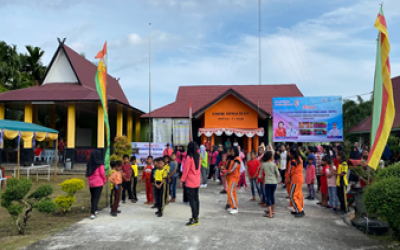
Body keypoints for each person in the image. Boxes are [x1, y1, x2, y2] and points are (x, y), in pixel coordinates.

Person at [181, 141, 201, 226]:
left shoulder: (189, 157)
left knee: (192, 200)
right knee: (196, 199)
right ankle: (196, 217)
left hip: (190, 181)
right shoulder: (198, 157)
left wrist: (182, 180)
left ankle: (194, 218)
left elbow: (186, 170)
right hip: (197, 180)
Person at [85, 150, 106, 220]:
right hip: (98, 182)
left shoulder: (89, 164)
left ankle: (95, 209)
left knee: (93, 197)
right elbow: (102, 173)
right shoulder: (100, 164)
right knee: (96, 198)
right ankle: (92, 213)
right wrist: (104, 180)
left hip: (91, 183)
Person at [259, 151, 281, 218]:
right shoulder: (274, 164)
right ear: (271, 157)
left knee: (268, 197)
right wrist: (274, 176)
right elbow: (278, 174)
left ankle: (270, 214)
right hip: (274, 182)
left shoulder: (264, 164)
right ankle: (273, 210)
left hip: (267, 182)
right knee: (272, 196)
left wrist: (263, 180)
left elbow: (260, 175)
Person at [288, 146, 305, 218]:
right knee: (298, 195)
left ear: (292, 154)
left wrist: (289, 176)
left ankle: (299, 210)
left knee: (292, 196)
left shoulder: (293, 161)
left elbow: (291, 172)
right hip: (300, 179)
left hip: (295, 180)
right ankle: (299, 208)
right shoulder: (300, 159)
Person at [225, 146, 241, 214]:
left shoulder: (237, 159)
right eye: (231, 151)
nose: (232, 152)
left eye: (233, 151)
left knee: (230, 192)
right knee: (232, 192)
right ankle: (233, 206)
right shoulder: (232, 158)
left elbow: (233, 168)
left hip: (234, 178)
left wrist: (228, 172)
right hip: (230, 177)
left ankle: (234, 207)